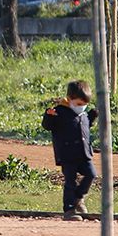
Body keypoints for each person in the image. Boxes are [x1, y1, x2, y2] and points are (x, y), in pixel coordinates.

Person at [41, 79, 98, 221]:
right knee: (70, 182)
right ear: (70, 99)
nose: (82, 107)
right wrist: (48, 116)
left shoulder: (84, 114)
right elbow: (48, 126)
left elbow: (85, 126)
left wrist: (93, 116)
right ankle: (69, 210)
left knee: (91, 174)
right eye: (79, 104)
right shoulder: (59, 112)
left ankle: (79, 198)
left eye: (85, 104)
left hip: (84, 153)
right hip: (68, 155)